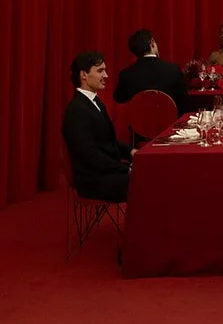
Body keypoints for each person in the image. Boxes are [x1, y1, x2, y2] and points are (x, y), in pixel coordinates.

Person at [62, 52, 133, 202]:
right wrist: (126, 169)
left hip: (106, 172)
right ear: (84, 75)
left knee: (150, 174)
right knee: (148, 180)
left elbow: (108, 141)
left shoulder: (93, 102)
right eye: (100, 71)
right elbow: (90, 155)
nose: (106, 75)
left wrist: (130, 152)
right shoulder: (77, 110)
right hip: (94, 181)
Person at [114, 29, 191, 115]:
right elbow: (184, 102)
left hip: (139, 121)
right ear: (152, 43)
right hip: (170, 121)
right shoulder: (173, 70)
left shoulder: (126, 75)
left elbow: (119, 98)